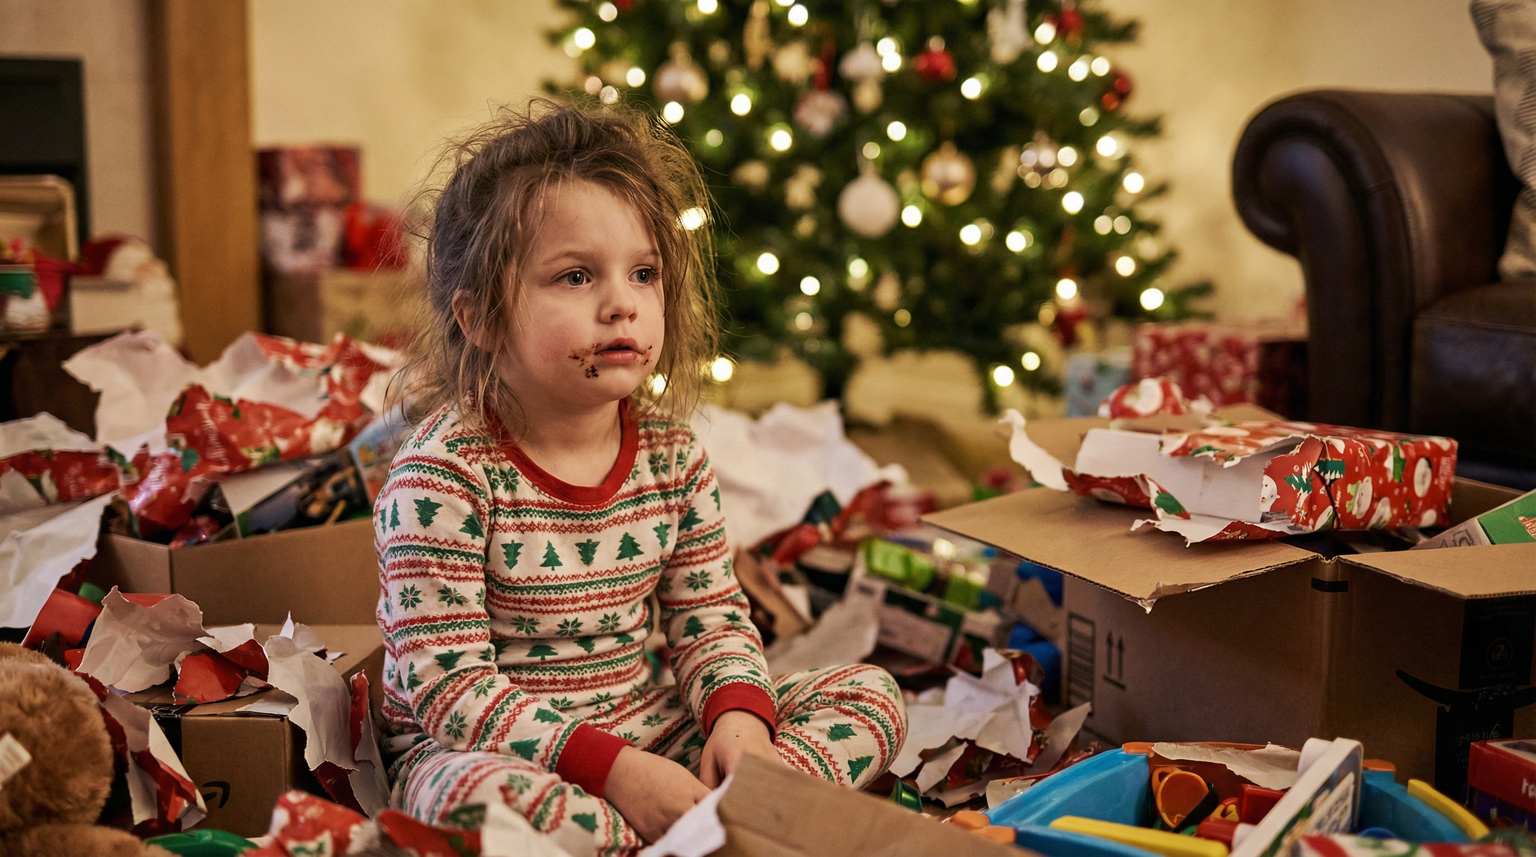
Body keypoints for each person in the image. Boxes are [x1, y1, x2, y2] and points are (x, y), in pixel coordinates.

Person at [375, 100, 907, 857]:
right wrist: (616, 771)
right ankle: (711, 834)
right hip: (497, 753)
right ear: (481, 317)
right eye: (575, 275)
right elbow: (447, 688)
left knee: (871, 693)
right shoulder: (442, 474)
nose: (622, 301)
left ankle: (723, 816)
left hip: (649, 723)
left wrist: (739, 722)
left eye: (644, 272)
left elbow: (712, 618)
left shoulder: (671, 454)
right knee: (471, 803)